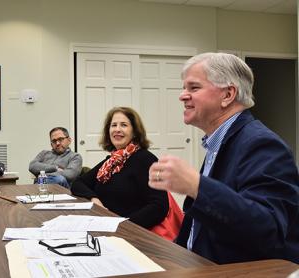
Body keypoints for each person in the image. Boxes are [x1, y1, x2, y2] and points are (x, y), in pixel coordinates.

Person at [148, 52, 299, 264]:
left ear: (228, 95)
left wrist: (196, 186)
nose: (182, 95)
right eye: (184, 88)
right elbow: (202, 229)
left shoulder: (261, 144)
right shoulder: (218, 142)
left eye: (194, 88)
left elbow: (269, 229)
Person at [71, 107, 168, 229]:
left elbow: (159, 206)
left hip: (130, 233)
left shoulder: (146, 160)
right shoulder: (111, 162)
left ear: (135, 131)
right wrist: (94, 200)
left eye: (124, 125)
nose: (117, 129)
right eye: (113, 125)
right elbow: (78, 183)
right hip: (104, 227)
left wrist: (123, 225)